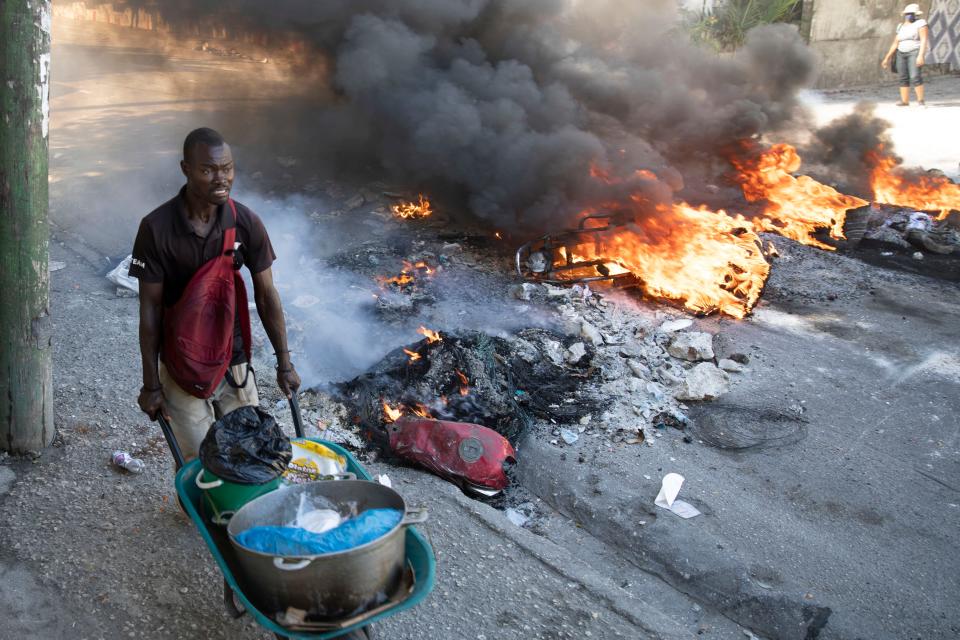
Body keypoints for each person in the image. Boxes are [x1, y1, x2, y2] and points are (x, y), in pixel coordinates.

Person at [129, 127, 301, 460]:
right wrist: (151, 384)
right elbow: (149, 309)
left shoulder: (245, 223)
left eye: (227, 169)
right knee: (199, 459)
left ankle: (245, 514)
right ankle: (200, 513)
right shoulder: (157, 228)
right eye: (208, 170)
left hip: (233, 358)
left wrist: (284, 364)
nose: (221, 179)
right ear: (186, 169)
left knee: (250, 454)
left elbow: (266, 295)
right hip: (181, 364)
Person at [881, 3, 929, 106]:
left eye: (911, 14)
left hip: (914, 51)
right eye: (907, 13)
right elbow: (895, 43)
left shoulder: (921, 23)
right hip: (901, 53)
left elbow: (924, 40)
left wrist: (921, 55)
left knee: (915, 76)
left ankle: (920, 100)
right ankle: (905, 101)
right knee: (903, 76)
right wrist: (887, 58)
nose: (909, 15)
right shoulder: (900, 26)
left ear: (916, 14)